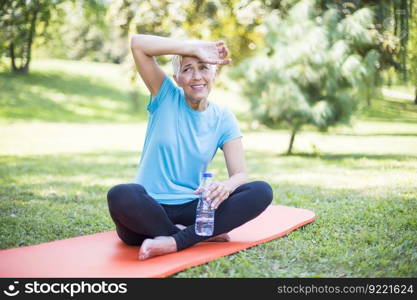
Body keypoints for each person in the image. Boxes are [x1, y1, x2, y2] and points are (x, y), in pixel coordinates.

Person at [107, 34, 273, 260]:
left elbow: (240, 173)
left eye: (203, 67)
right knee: (121, 194)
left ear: (214, 72)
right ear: (177, 78)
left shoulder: (223, 117)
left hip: (193, 210)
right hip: (147, 212)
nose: (196, 76)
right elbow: (138, 44)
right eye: (187, 69)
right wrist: (192, 47)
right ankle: (191, 236)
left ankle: (175, 240)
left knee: (261, 191)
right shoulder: (165, 95)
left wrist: (226, 186)